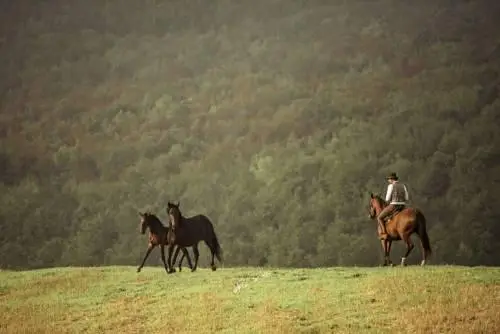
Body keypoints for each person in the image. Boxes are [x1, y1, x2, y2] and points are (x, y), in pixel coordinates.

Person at [377, 172, 409, 239]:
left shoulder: (390, 186)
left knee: (379, 217)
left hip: (394, 205)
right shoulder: (403, 186)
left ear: (391, 179)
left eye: (388, 179)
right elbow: (407, 198)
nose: (388, 181)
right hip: (403, 206)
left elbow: (387, 199)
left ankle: (384, 234)